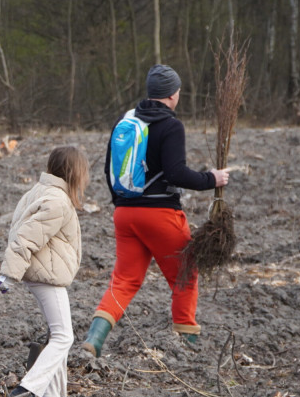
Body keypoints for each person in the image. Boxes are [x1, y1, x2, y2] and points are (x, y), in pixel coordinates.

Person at [82, 64, 231, 357]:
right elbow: (176, 173)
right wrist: (210, 179)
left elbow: (108, 169)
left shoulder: (124, 121)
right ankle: (186, 348)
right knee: (185, 276)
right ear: (174, 94)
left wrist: (122, 204)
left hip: (125, 214)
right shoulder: (171, 125)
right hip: (160, 214)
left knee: (124, 281)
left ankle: (93, 341)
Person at [0, 146, 88, 397]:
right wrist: (8, 275)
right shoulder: (57, 200)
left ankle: (51, 394)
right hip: (47, 276)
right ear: (74, 172)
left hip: (45, 273)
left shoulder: (39, 191)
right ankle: (27, 390)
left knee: (57, 332)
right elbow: (25, 237)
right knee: (63, 336)